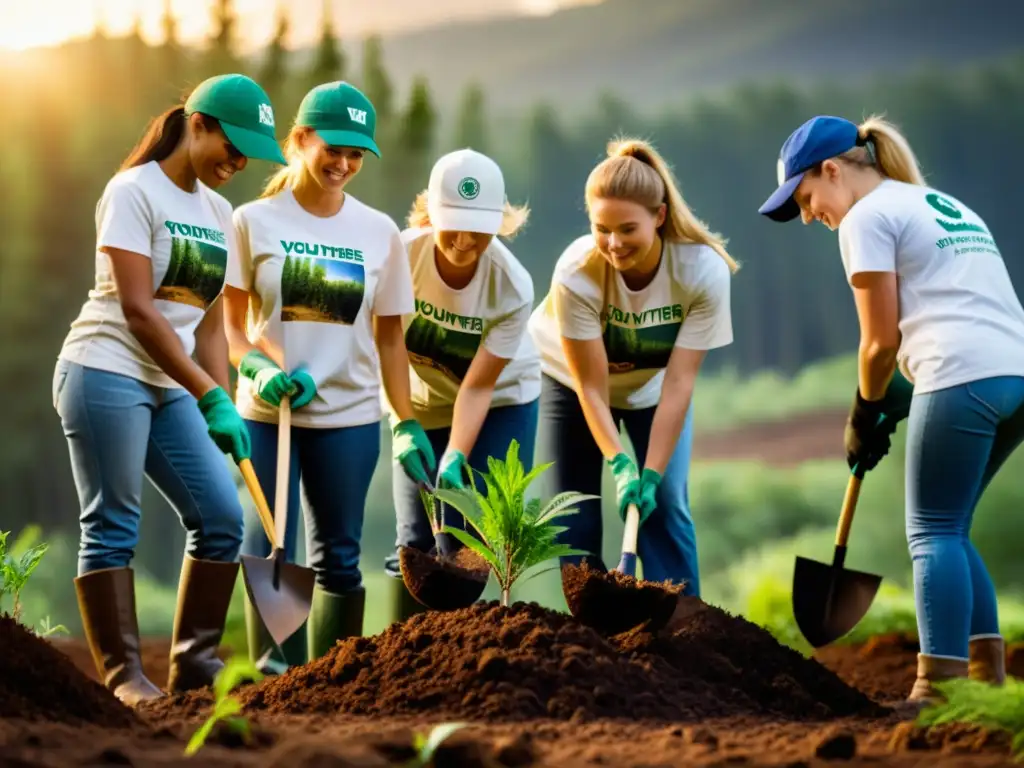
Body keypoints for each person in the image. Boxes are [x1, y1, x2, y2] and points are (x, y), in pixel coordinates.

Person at [758, 113, 1024, 705]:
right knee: (955, 526)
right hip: (1014, 376)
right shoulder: (934, 203)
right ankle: (987, 678)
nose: (809, 216)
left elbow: (879, 342)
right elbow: (950, 309)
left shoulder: (865, 218)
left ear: (831, 170)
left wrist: (863, 411)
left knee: (932, 531)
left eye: (804, 198)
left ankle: (937, 689)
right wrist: (898, 398)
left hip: (960, 374)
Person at [53, 74, 287, 706]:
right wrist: (205, 392)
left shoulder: (217, 213)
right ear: (198, 123)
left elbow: (210, 324)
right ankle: (125, 677)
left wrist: (225, 396)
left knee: (220, 515)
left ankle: (195, 664)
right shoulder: (133, 191)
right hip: (105, 370)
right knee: (113, 521)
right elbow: (138, 310)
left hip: (173, 382)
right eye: (230, 146)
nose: (236, 164)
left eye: (248, 157)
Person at [224, 81, 435, 672]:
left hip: (348, 416)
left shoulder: (378, 232)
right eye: (332, 148)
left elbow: (391, 339)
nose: (343, 164)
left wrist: (406, 421)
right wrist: (259, 366)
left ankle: (330, 685)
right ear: (299, 140)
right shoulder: (252, 222)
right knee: (270, 546)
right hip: (268, 416)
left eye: (356, 153)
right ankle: (274, 677)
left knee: (339, 556)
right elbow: (229, 331)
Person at [528, 138, 738, 599]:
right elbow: (590, 387)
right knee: (574, 513)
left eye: (627, 229)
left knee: (663, 505)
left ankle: (683, 630)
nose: (613, 244)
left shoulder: (702, 272)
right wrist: (621, 463)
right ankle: (596, 643)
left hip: (654, 388)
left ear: (659, 217)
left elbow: (680, 382)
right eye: (601, 228)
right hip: (569, 383)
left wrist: (651, 473)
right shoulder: (576, 272)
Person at [382, 148, 541, 622]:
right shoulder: (402, 255)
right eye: (454, 220)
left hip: (500, 401)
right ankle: (403, 658)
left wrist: (455, 453)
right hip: (421, 399)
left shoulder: (511, 285)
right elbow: (387, 344)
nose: (466, 238)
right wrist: (402, 424)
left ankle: (477, 650)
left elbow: (477, 388)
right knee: (415, 535)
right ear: (430, 212)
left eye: (480, 224)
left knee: (478, 532)